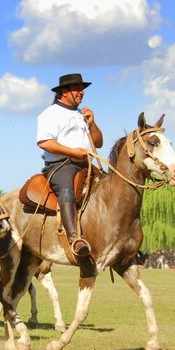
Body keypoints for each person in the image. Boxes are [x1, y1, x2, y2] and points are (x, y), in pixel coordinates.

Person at [37, 73, 103, 260]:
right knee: (67, 191)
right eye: (76, 89)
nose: (81, 92)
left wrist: (93, 124)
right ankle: (75, 238)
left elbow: (98, 143)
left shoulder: (81, 114)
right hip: (61, 165)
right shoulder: (49, 114)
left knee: (112, 189)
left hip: (86, 164)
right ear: (64, 92)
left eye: (82, 89)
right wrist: (74, 152)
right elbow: (45, 142)